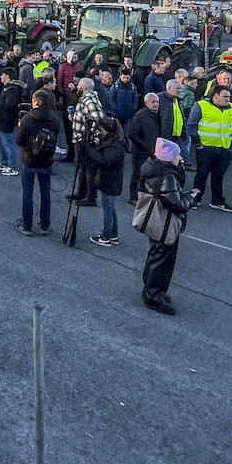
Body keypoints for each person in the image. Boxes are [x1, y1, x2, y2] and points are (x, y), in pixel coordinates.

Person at [137, 138, 197, 314]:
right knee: (163, 259)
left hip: (156, 222)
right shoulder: (167, 176)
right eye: (177, 155)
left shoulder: (154, 168)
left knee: (155, 255)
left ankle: (151, 290)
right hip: (165, 224)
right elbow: (176, 205)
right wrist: (190, 198)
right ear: (169, 157)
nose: (181, 158)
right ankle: (154, 296)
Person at [14, 88, 63, 237]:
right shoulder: (55, 119)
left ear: (35, 102)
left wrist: (21, 126)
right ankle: (44, 224)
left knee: (27, 191)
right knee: (45, 192)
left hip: (29, 159)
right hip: (46, 160)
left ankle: (26, 224)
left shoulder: (28, 118)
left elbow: (19, 140)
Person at [187, 85, 232, 212]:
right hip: (206, 148)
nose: (228, 99)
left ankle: (217, 201)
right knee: (202, 175)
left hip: (224, 149)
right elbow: (191, 125)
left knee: (218, 176)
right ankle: (195, 199)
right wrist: (197, 143)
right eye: (225, 96)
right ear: (215, 95)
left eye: (229, 96)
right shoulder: (201, 106)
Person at [88, 116, 129, 246]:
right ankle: (113, 234)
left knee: (108, 208)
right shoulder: (116, 142)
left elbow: (104, 160)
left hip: (110, 180)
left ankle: (106, 236)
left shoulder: (115, 146)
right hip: (111, 179)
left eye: (100, 130)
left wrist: (89, 150)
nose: (99, 132)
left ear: (106, 130)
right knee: (110, 208)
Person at [126, 92, 161, 205]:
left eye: (157, 102)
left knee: (147, 175)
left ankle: (143, 195)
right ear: (146, 103)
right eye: (153, 102)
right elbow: (132, 134)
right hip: (140, 151)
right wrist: (144, 146)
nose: (156, 104)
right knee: (137, 174)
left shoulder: (156, 115)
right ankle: (133, 197)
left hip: (152, 150)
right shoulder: (140, 115)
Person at [0, 68, 22, 176]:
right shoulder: (5, 88)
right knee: (1, 143)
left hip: (6, 121)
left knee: (8, 143)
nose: (0, 77)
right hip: (0, 120)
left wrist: (0, 102)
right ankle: (4, 162)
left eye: (2, 74)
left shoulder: (12, 90)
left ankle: (11, 166)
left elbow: (9, 105)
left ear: (7, 76)